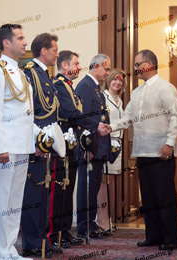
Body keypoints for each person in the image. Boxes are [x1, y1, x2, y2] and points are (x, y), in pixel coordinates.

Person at [107, 49, 177, 250]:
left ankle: (171, 239)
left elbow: (175, 117)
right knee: (148, 197)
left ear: (149, 64)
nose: (136, 69)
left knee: (164, 196)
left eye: (137, 65)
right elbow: (127, 117)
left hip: (161, 152)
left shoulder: (166, 88)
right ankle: (154, 236)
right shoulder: (136, 92)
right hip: (141, 152)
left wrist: (170, 143)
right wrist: (110, 127)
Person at [0, 24, 40, 260]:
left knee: (15, 202)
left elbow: (27, 114)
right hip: (6, 147)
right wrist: (0, 147)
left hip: (21, 146)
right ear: (7, 42)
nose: (25, 42)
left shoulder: (21, 72)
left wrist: (36, 140)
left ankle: (9, 249)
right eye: (20, 38)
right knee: (0, 200)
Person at [47, 51, 110, 248]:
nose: (79, 66)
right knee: (59, 192)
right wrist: (95, 124)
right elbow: (71, 113)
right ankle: (55, 233)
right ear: (64, 65)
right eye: (76, 63)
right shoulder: (58, 85)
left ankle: (65, 231)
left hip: (72, 146)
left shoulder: (69, 87)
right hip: (61, 147)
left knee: (68, 190)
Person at [20, 33, 62, 257]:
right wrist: (35, 141)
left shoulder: (44, 75)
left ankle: (42, 239)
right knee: (33, 196)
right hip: (37, 145)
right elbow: (28, 113)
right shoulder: (30, 74)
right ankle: (31, 242)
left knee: (44, 196)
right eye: (54, 50)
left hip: (47, 145)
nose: (57, 53)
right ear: (44, 51)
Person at [75, 54, 112, 239]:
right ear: (96, 66)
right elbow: (81, 119)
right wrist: (86, 148)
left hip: (98, 146)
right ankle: (84, 226)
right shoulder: (85, 86)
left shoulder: (96, 87)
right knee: (86, 187)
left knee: (94, 186)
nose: (108, 73)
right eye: (106, 69)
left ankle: (91, 223)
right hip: (90, 147)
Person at [96, 68, 126, 231]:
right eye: (115, 79)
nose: (117, 82)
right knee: (102, 183)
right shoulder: (103, 97)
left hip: (118, 144)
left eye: (120, 80)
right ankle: (102, 221)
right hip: (106, 142)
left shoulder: (119, 100)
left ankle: (106, 219)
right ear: (109, 80)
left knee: (110, 182)